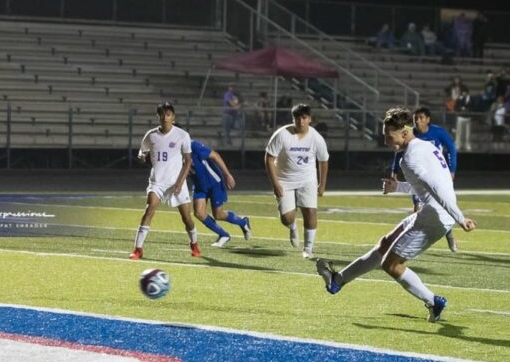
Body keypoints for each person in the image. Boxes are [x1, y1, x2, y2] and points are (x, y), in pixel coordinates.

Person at [316, 106, 477, 322]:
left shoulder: (409, 157)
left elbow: (435, 188)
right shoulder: (426, 147)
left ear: (403, 133)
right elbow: (427, 186)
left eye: (388, 136)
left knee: (391, 265)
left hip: (437, 215)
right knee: (384, 244)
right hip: (433, 210)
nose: (385, 141)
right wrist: (397, 187)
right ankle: (338, 280)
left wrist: (460, 217)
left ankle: (433, 301)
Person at [129, 102, 200, 260]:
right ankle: (138, 249)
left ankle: (194, 244)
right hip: (157, 182)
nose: (165, 117)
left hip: (177, 182)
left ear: (173, 117)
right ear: (158, 116)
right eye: (162, 114)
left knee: (187, 218)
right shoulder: (151, 135)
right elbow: (143, 153)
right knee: (149, 210)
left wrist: (180, 183)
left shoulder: (182, 135)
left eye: (168, 114)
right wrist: (141, 157)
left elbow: (188, 161)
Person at [265, 103, 329, 259]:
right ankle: (292, 227)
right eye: (297, 118)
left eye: (304, 118)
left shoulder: (316, 138)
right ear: (292, 119)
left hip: (307, 180)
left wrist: (322, 184)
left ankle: (308, 249)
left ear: (309, 119)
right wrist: (275, 184)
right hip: (284, 181)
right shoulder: (282, 134)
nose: (300, 121)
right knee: (286, 218)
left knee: (311, 212)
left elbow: (323, 161)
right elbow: (269, 158)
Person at [391, 107, 459, 252]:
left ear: (428, 119)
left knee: (439, 205)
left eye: (421, 118)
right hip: (418, 176)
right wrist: (394, 170)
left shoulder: (438, 132)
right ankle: (413, 240)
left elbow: (451, 149)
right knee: (417, 208)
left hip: (435, 175)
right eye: (416, 118)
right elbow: (399, 150)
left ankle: (450, 236)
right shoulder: (411, 134)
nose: (417, 121)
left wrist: (451, 170)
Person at [189, 139, 252, 247]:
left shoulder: (193, 145)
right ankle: (224, 235)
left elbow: (215, 155)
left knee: (218, 214)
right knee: (199, 213)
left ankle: (242, 221)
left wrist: (227, 174)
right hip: (199, 185)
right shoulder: (173, 150)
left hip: (214, 182)